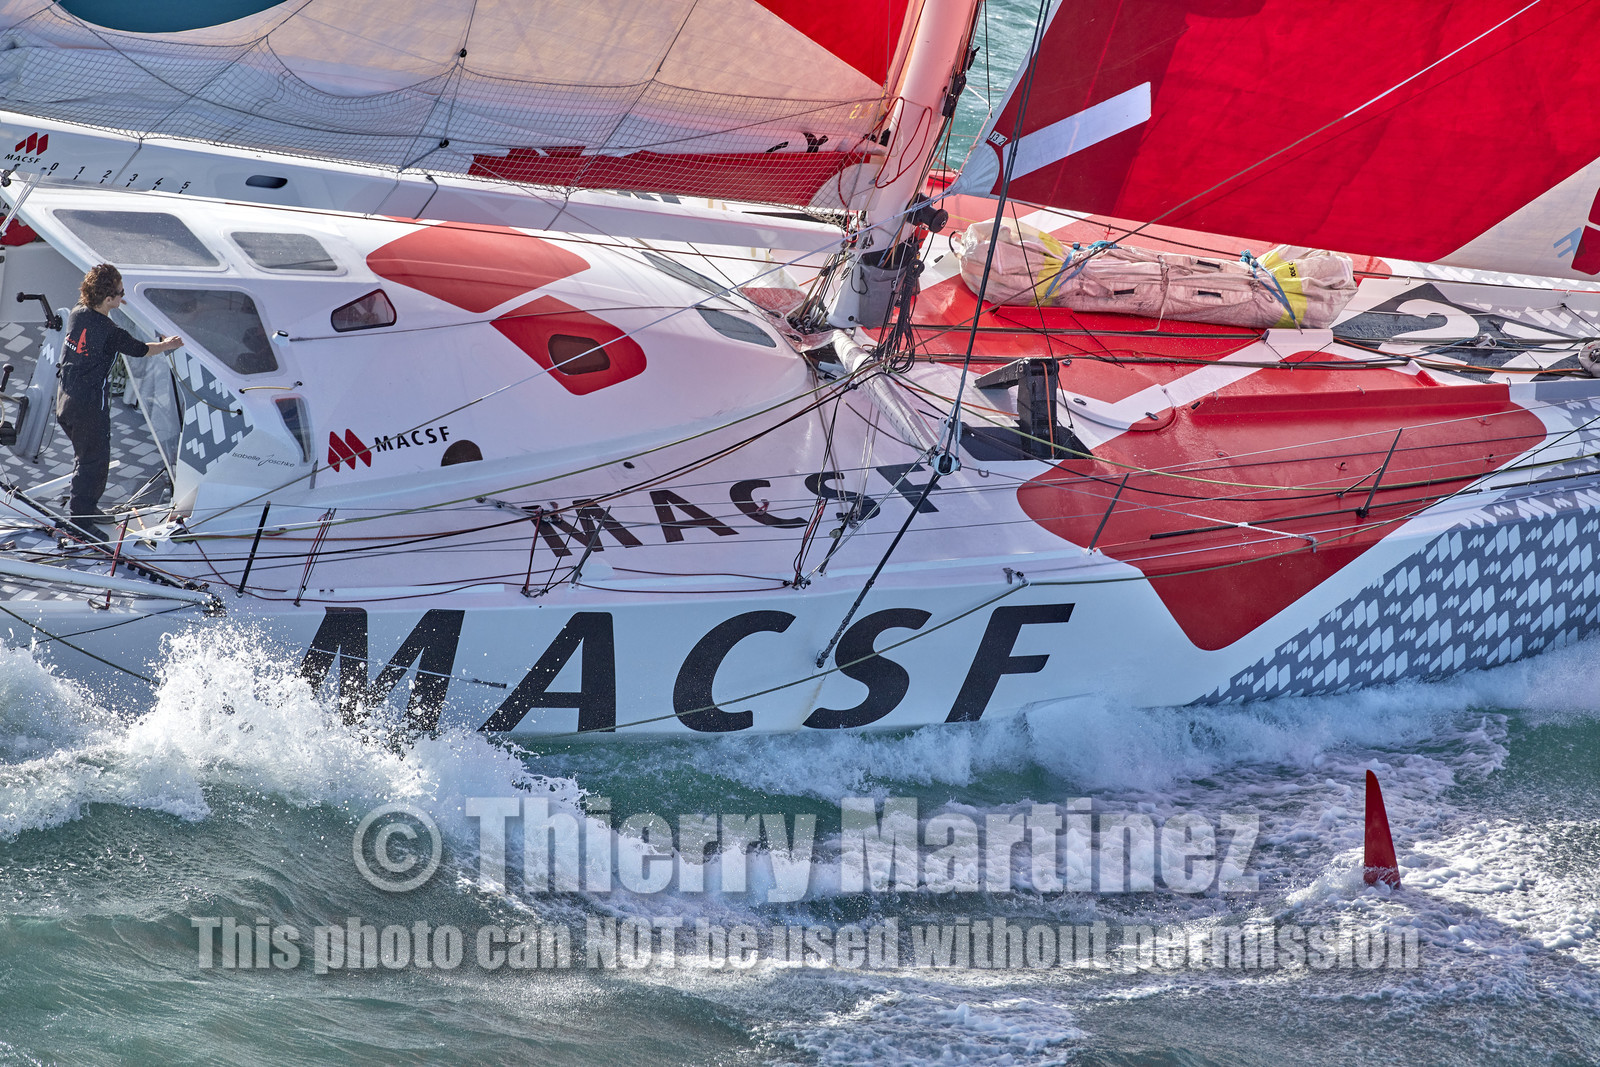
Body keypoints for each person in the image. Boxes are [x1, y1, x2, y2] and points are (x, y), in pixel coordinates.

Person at [56, 263, 182, 533]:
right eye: (120, 292)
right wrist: (168, 344)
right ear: (108, 299)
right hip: (88, 407)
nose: (123, 297)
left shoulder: (78, 313)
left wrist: (114, 296)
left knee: (86, 457)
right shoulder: (110, 332)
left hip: (66, 400)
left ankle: (87, 509)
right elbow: (141, 350)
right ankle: (79, 524)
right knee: (93, 462)